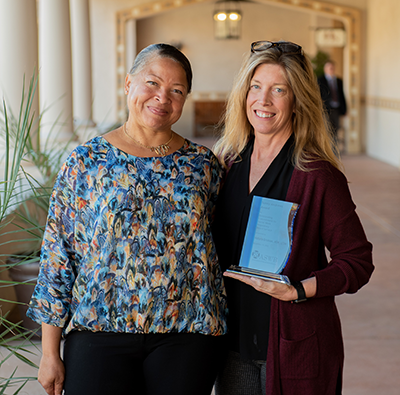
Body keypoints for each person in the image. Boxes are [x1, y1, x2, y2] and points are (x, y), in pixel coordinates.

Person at [27, 43, 228, 395]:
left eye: (176, 91)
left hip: (186, 336)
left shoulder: (203, 165)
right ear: (128, 84)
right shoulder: (86, 162)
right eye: (152, 83)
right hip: (100, 333)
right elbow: (58, 256)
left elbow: (218, 246)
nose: (162, 97)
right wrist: (49, 352)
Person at [212, 40, 374, 395]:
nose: (263, 100)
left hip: (293, 345)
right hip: (231, 347)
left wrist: (297, 290)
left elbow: (357, 261)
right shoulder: (225, 164)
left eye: (278, 90)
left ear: (297, 101)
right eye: (256, 87)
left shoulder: (317, 175)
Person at [317, 60, 347, 147]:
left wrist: (345, 109)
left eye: (332, 68)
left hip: (336, 109)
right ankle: (327, 149)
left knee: (336, 129)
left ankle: (334, 150)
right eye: (329, 68)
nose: (331, 69)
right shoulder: (320, 80)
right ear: (325, 69)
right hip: (326, 109)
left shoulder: (339, 81)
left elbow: (342, 95)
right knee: (327, 129)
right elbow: (318, 95)